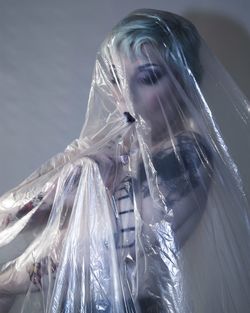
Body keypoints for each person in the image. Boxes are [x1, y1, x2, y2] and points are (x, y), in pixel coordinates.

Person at [0, 8, 249, 313]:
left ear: (185, 80)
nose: (126, 96)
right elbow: (8, 212)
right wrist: (60, 185)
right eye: (116, 78)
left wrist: (5, 282)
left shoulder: (188, 157)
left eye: (148, 78)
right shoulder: (103, 147)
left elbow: (103, 246)